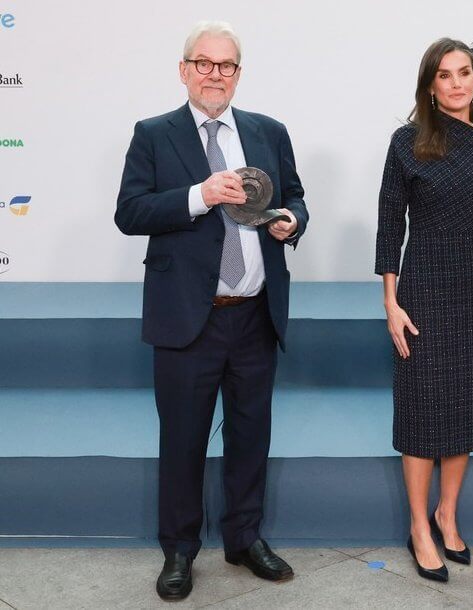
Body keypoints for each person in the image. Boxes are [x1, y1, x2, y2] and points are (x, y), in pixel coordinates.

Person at [115, 21, 308, 600]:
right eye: (204, 63)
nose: (215, 74)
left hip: (254, 315)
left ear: (238, 74)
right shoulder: (153, 134)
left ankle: (244, 538)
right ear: (184, 70)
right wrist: (200, 197)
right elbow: (130, 212)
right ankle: (178, 549)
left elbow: (294, 195)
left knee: (251, 436)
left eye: (226, 66)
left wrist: (292, 221)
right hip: (186, 319)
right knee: (183, 440)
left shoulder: (268, 131)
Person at [375, 37, 473, 583]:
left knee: (463, 405)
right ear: (430, 85)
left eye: (464, 73)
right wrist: (390, 300)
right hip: (422, 287)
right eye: (445, 75)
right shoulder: (407, 141)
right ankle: (418, 525)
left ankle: (447, 514)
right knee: (419, 408)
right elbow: (391, 224)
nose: (457, 83)